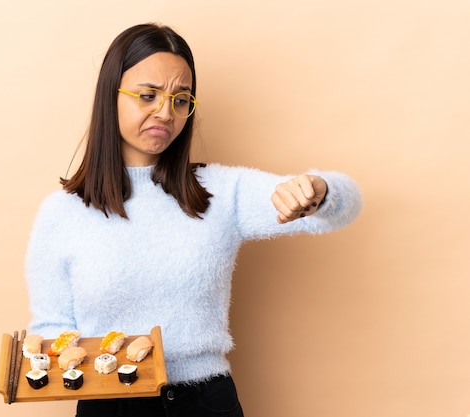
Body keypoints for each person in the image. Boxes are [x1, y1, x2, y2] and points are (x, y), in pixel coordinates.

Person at [25, 23, 362, 417]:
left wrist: (317, 190)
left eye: (181, 100)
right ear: (109, 95)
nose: (166, 113)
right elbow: (51, 327)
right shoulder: (61, 213)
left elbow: (346, 205)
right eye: (147, 95)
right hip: (109, 403)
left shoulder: (218, 192)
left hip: (205, 403)